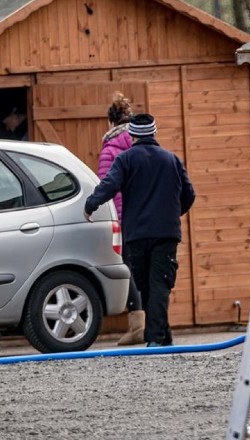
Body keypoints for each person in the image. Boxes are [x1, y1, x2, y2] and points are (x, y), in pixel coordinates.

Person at [84, 113, 195, 347]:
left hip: (136, 234)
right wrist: (172, 214)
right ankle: (163, 338)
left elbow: (109, 185)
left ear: (132, 135)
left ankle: (155, 339)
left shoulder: (125, 160)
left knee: (146, 286)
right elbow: (189, 195)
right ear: (155, 133)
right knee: (160, 284)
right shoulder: (172, 160)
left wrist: (90, 205)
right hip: (166, 233)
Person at [97, 93, 145, 346]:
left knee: (129, 268)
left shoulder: (111, 148)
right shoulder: (143, 143)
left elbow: (107, 187)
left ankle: (138, 326)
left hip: (124, 218)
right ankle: (153, 323)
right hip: (147, 215)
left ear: (110, 122)